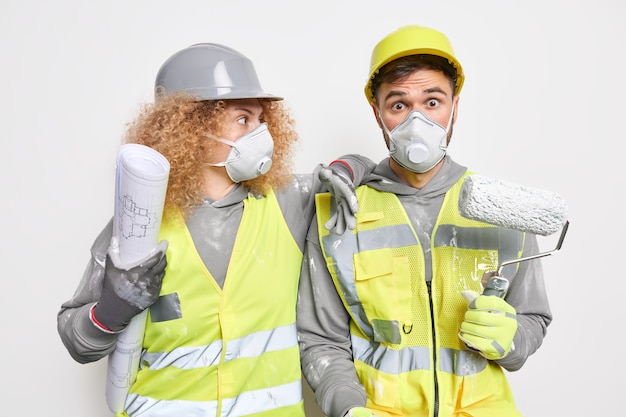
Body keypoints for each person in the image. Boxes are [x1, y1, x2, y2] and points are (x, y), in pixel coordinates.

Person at [57, 43, 373, 417]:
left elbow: (364, 163)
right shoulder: (139, 222)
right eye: (244, 119)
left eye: (261, 119)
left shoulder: (289, 203)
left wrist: (343, 170)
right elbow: (76, 340)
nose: (261, 132)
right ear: (192, 128)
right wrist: (109, 311)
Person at [297, 25, 552, 417]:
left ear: (455, 106)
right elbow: (321, 341)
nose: (418, 121)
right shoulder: (340, 214)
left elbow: (532, 319)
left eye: (433, 102)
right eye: (399, 105)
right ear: (377, 113)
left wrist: (511, 339)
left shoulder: (501, 209)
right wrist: (347, 408)